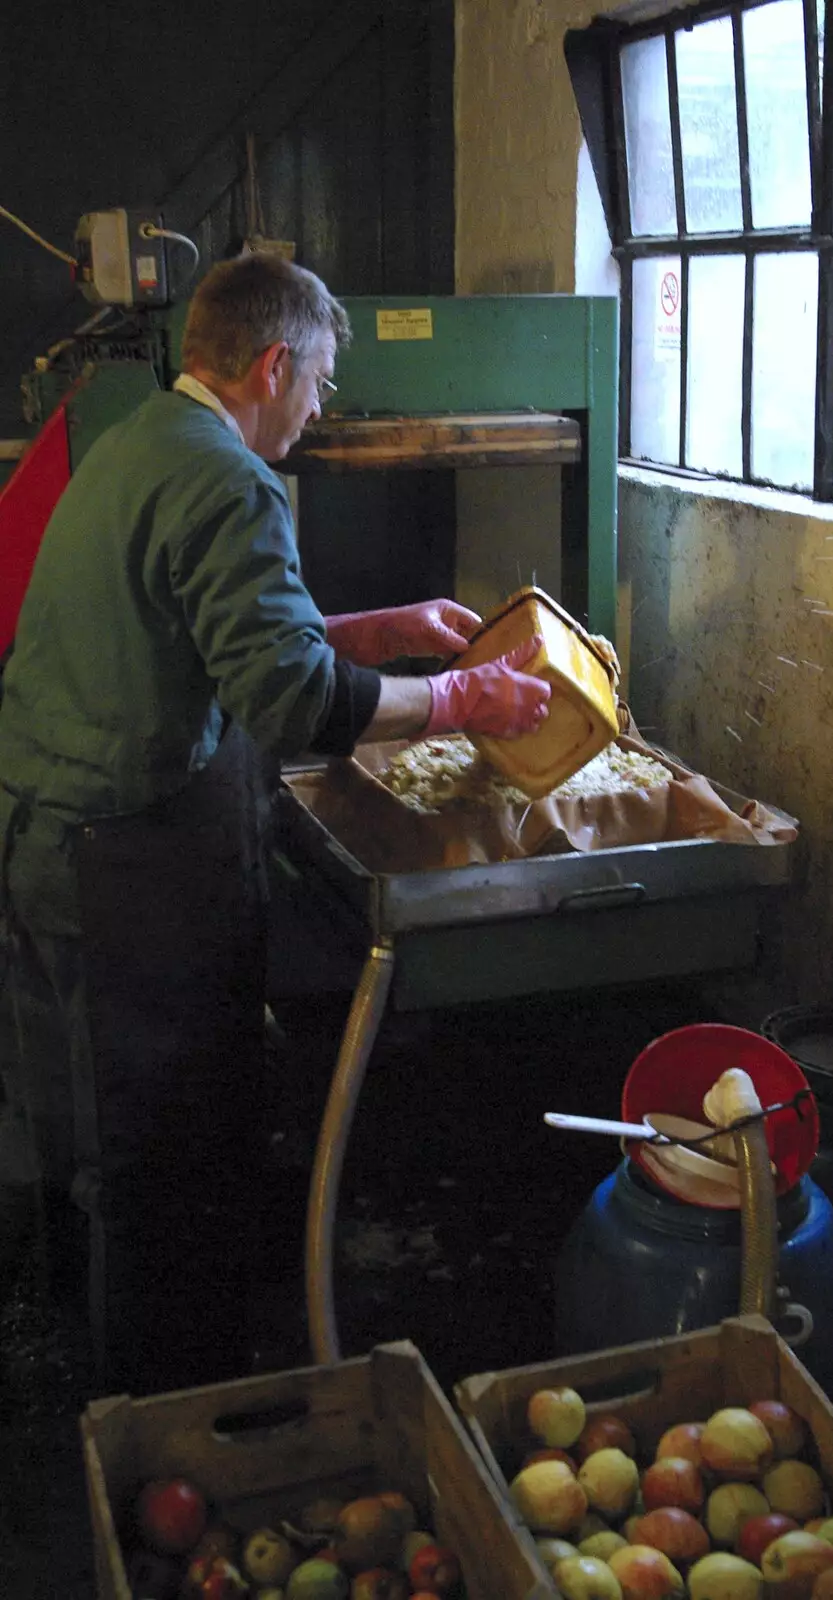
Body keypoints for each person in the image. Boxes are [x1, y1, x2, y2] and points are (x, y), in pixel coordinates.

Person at [0, 253, 551, 1394]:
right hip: (123, 866)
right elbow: (291, 700)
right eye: (320, 384)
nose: (320, 410)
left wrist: (386, 625)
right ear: (274, 363)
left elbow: (226, 630)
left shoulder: (144, 441)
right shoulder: (232, 480)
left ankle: (88, 1380)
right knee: (151, 1163)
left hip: (44, 838)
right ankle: (172, 1410)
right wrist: (466, 698)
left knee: (81, 1145)